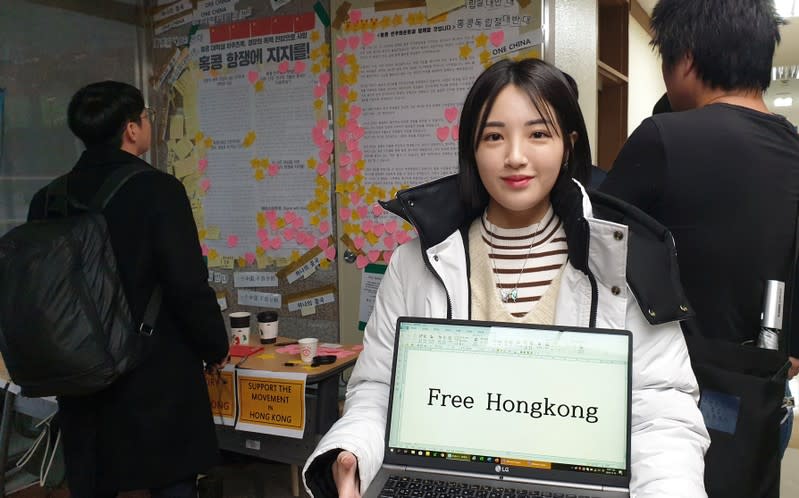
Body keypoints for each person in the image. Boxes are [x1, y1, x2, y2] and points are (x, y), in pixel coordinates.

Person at [303, 58, 709, 497]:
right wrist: (353, 455)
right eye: (494, 136)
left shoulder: (622, 262)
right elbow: (380, 388)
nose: (516, 156)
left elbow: (660, 412)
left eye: (538, 134)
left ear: (568, 145)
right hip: (448, 481)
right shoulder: (415, 264)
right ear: (471, 149)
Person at [599, 0, 799, 456]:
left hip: (672, 398)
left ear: (685, 57)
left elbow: (595, 248)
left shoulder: (664, 137)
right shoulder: (794, 147)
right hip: (763, 399)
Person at [27, 81, 230, 497]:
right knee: (170, 478)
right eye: (145, 117)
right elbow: (186, 284)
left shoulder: (47, 199)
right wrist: (214, 346)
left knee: (94, 476)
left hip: (79, 370)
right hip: (154, 368)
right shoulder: (159, 190)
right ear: (131, 129)